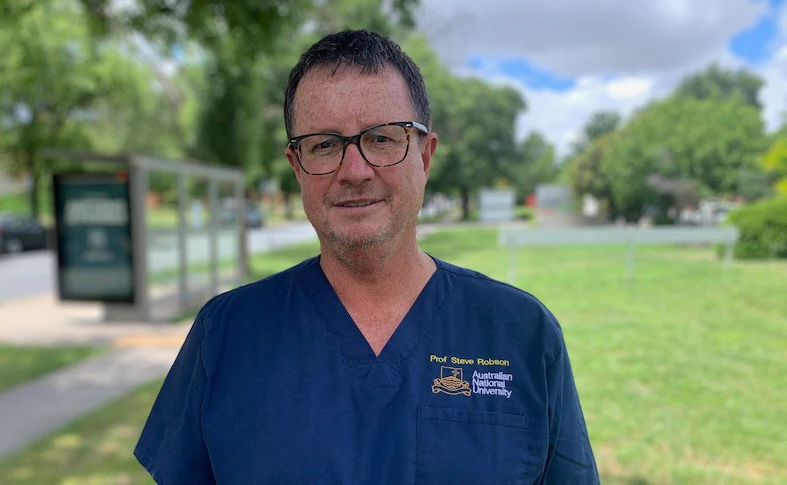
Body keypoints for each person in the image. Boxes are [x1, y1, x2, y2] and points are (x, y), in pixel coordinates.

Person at [135, 30, 599, 484]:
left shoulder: (521, 333)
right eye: (323, 144)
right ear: (297, 167)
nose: (354, 171)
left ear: (425, 155)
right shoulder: (227, 335)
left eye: (382, 138)